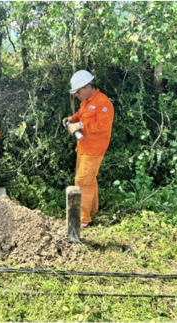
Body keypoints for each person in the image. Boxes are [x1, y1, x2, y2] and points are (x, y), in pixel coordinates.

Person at [62, 70, 114, 229]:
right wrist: (72, 119)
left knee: (82, 181)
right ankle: (92, 210)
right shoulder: (86, 101)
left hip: (94, 149)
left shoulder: (102, 102)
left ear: (88, 87)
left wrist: (80, 125)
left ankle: (83, 219)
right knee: (89, 180)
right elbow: (80, 114)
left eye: (78, 91)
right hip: (83, 148)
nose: (76, 95)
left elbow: (103, 125)